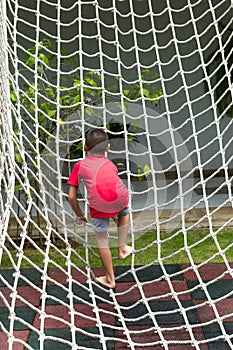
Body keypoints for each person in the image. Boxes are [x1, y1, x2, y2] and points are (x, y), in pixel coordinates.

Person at [67, 128, 132, 288]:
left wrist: (80, 214)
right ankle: (122, 247)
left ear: (85, 147)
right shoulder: (110, 164)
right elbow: (108, 188)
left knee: (102, 241)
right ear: (108, 148)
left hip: (100, 206)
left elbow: (71, 196)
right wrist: (114, 212)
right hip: (121, 198)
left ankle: (110, 279)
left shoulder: (80, 165)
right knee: (125, 213)